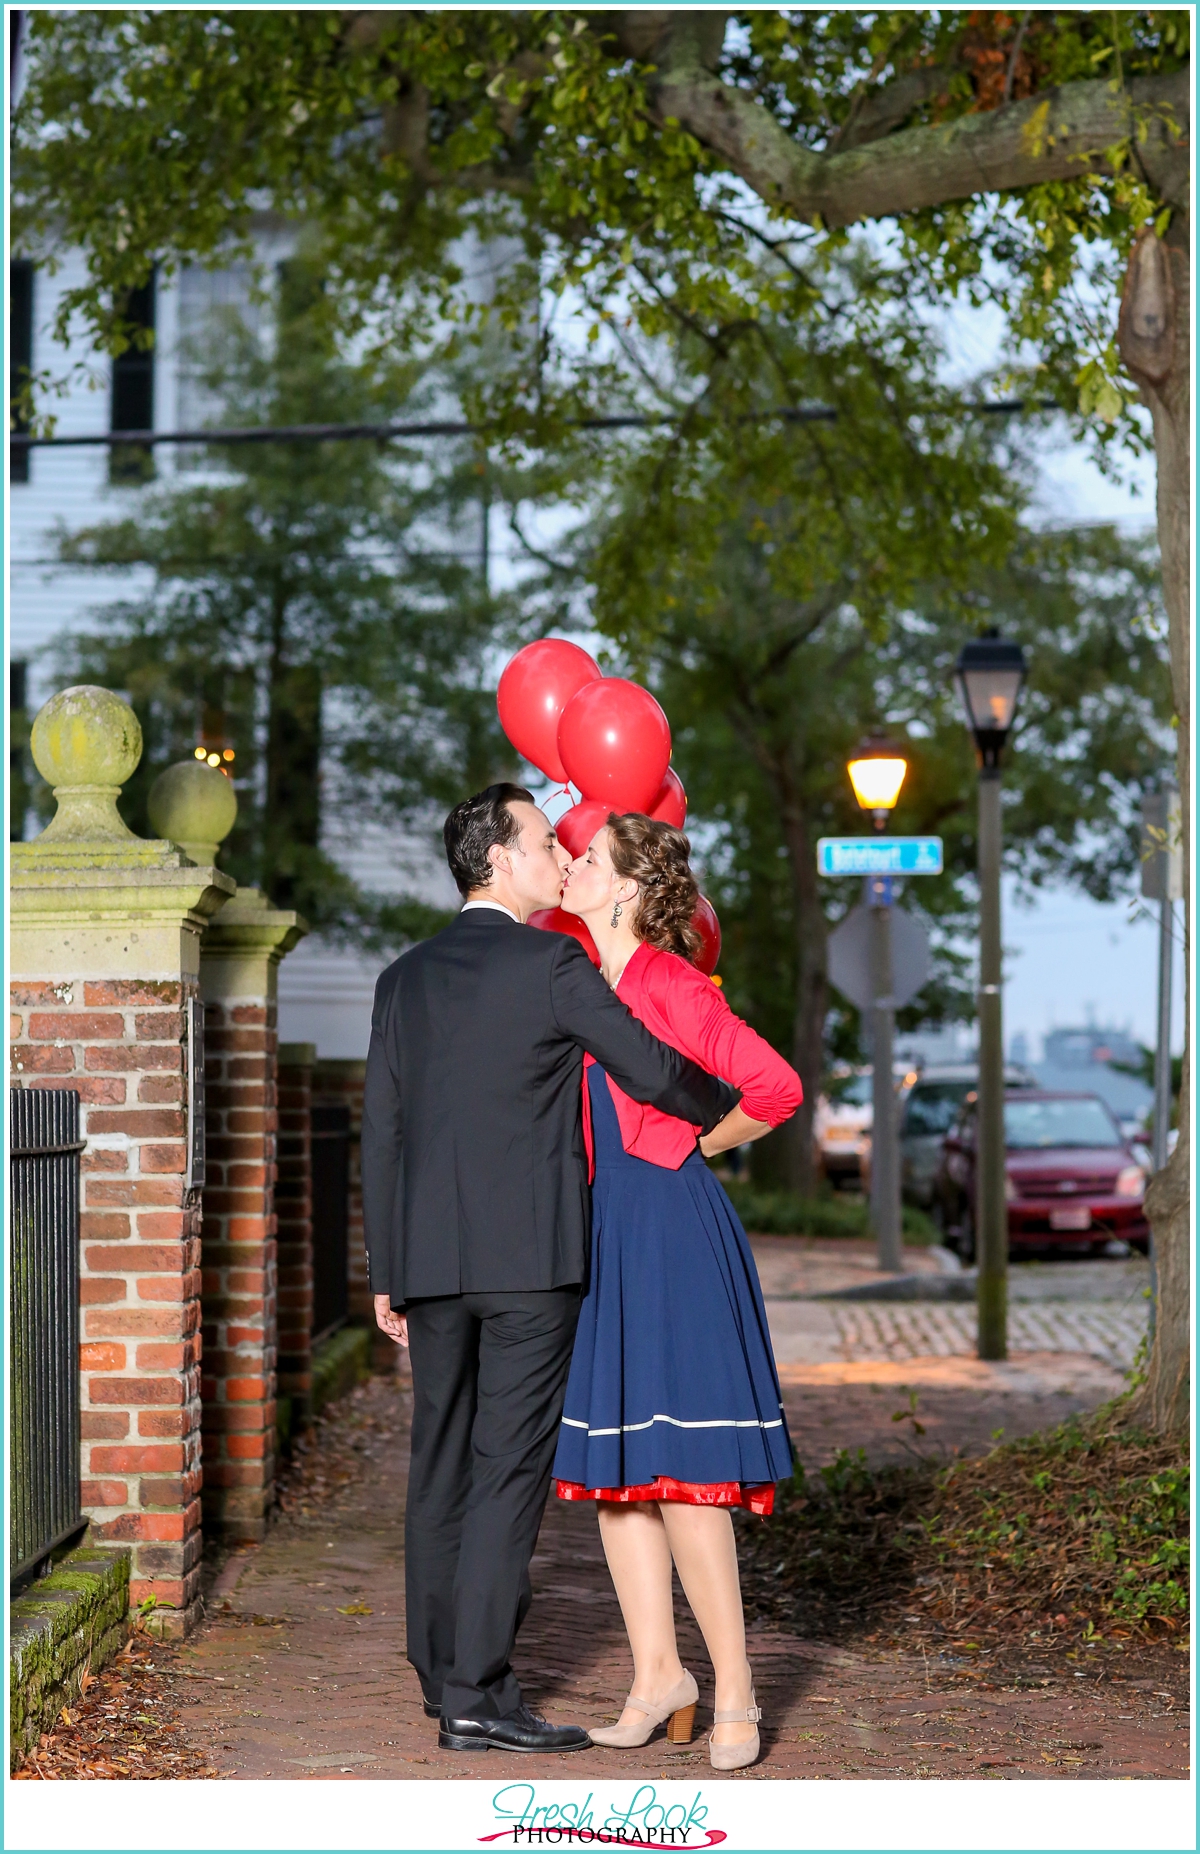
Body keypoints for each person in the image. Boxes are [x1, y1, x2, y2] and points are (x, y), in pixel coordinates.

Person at [361, 784, 741, 1756]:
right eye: (540, 842)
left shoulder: (403, 978)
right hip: (531, 1263)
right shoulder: (550, 961)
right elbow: (648, 1068)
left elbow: (384, 1136)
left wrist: (386, 1274)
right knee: (506, 1473)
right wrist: (725, 1110)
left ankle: (440, 1677)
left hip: (435, 1264)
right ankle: (482, 1694)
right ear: (498, 860)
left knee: (438, 1465)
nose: (557, 856)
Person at [552, 813, 802, 1771]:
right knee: (620, 1482)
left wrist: (694, 1144)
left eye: (588, 859)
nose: (570, 865)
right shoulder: (577, 982)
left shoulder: (668, 980)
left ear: (623, 889)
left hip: (673, 1232)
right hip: (606, 1235)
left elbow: (773, 1087)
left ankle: (735, 1690)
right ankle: (659, 1676)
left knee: (689, 1481)